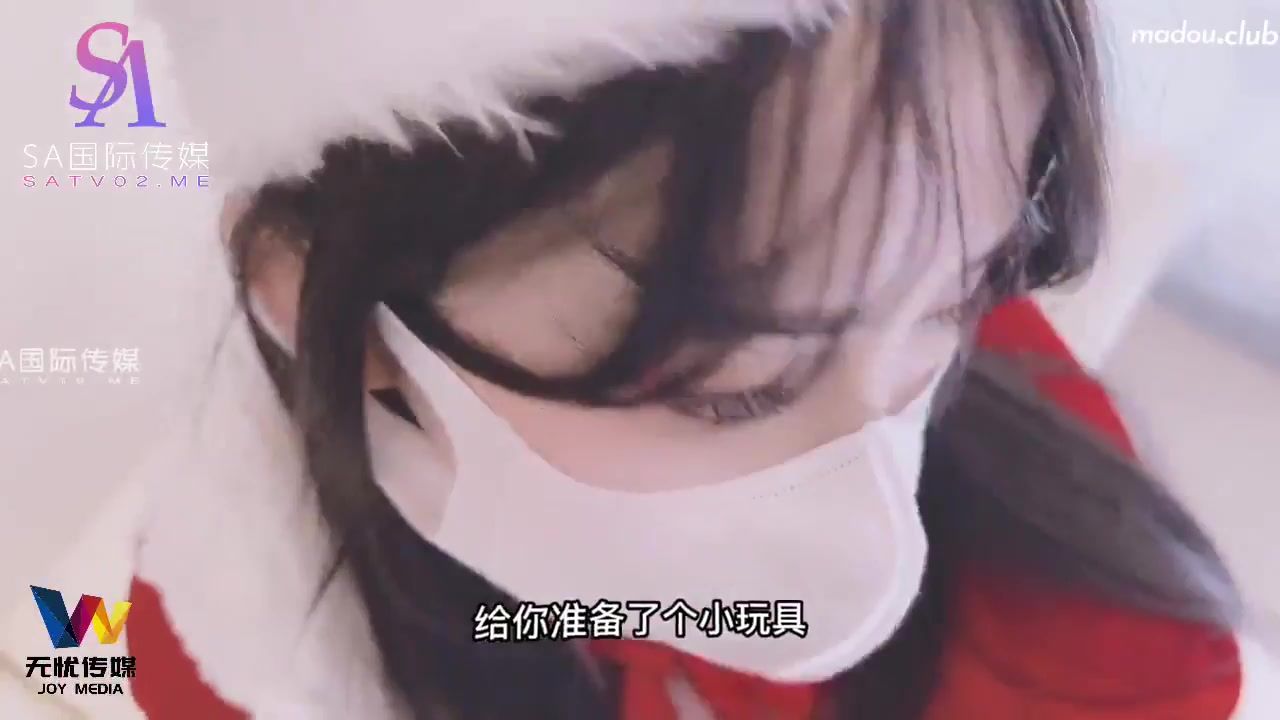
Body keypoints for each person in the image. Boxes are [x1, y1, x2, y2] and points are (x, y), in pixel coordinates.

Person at [123, 0, 1255, 717]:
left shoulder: (1091, 628)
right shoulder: (242, 659)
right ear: (311, 291)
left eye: (961, 293)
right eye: (738, 386)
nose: (874, 466)